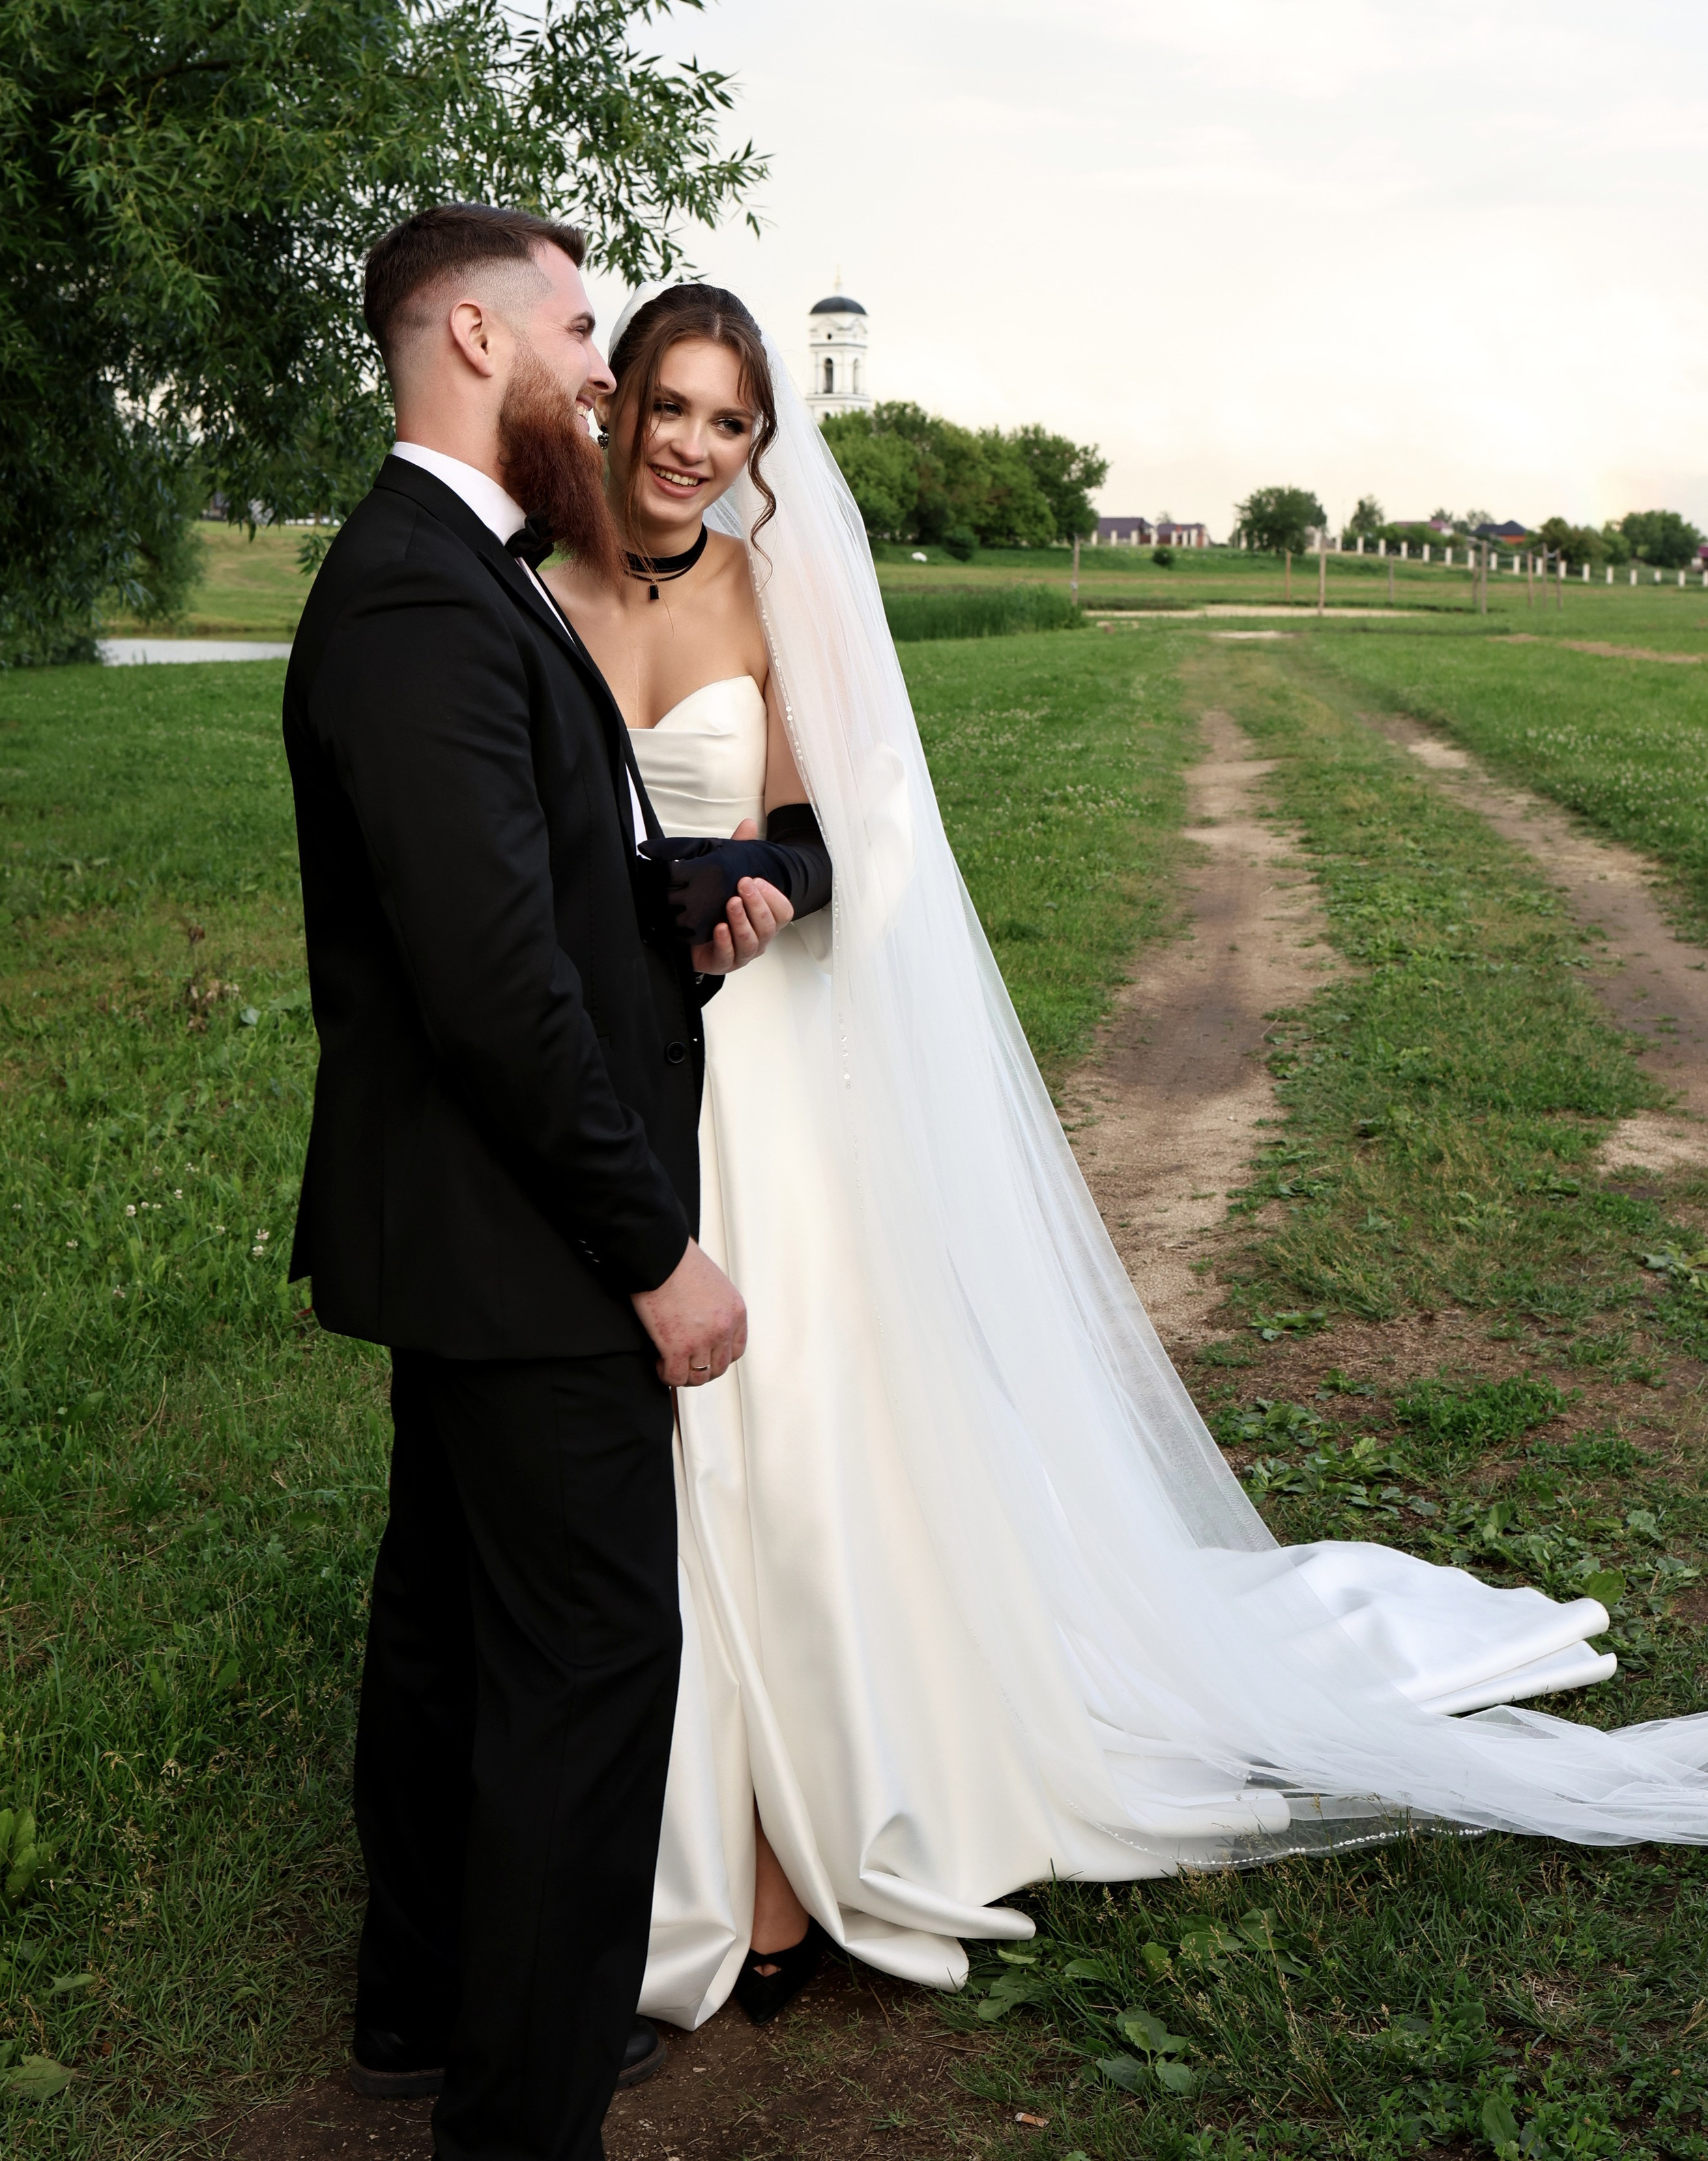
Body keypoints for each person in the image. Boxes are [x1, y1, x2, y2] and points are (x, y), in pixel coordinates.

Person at [548, 281, 1708, 2039]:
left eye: (729, 423)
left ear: (757, 445)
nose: (693, 448)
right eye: (669, 409)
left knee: (787, 1440)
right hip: (617, 1076)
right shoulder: (539, 595)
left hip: (765, 1063)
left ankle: (814, 1838)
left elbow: (834, 828)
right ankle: (693, 1833)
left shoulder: (766, 589)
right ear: (615, 407)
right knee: (657, 1454)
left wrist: (770, 880)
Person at [282, 207, 789, 2161]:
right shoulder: (423, 597)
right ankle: (522, 2107)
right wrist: (653, 1249)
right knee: (589, 1661)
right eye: (582, 329)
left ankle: (416, 2003)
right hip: (529, 1244)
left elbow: (534, 911)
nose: (600, 363)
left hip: (470, 1240)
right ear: (476, 337)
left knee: (444, 1631)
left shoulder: (450, 571)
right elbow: (495, 992)